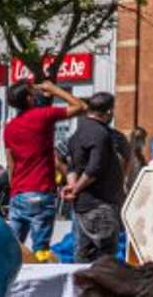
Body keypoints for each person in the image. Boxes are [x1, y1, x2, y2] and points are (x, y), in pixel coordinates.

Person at [4, 80, 87, 259]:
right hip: (40, 190)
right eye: (33, 91)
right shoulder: (42, 115)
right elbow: (81, 106)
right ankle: (39, 272)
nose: (37, 92)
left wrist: (15, 190)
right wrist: (54, 89)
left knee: (12, 250)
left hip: (18, 194)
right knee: (40, 250)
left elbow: (11, 164)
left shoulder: (9, 128)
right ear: (29, 98)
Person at [62, 93, 127, 264]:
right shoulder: (102, 134)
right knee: (105, 261)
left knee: (82, 258)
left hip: (82, 208)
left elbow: (71, 166)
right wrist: (75, 189)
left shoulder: (77, 134)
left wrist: (72, 187)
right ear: (109, 112)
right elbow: (95, 168)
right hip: (101, 206)